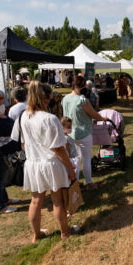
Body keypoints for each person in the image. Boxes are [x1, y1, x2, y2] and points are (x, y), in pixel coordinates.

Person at [11, 81, 79, 242]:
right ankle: (65, 232)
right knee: (57, 201)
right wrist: (70, 167)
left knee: (36, 201)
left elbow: (22, 143)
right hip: (50, 163)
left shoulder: (24, 117)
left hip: (33, 163)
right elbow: (59, 148)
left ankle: (36, 235)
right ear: (47, 98)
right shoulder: (50, 118)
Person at [62, 76, 109, 190]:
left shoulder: (65, 98)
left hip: (70, 133)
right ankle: (89, 183)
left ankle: (75, 183)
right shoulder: (82, 100)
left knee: (76, 159)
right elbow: (94, 114)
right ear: (83, 86)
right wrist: (103, 118)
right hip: (83, 132)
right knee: (86, 158)